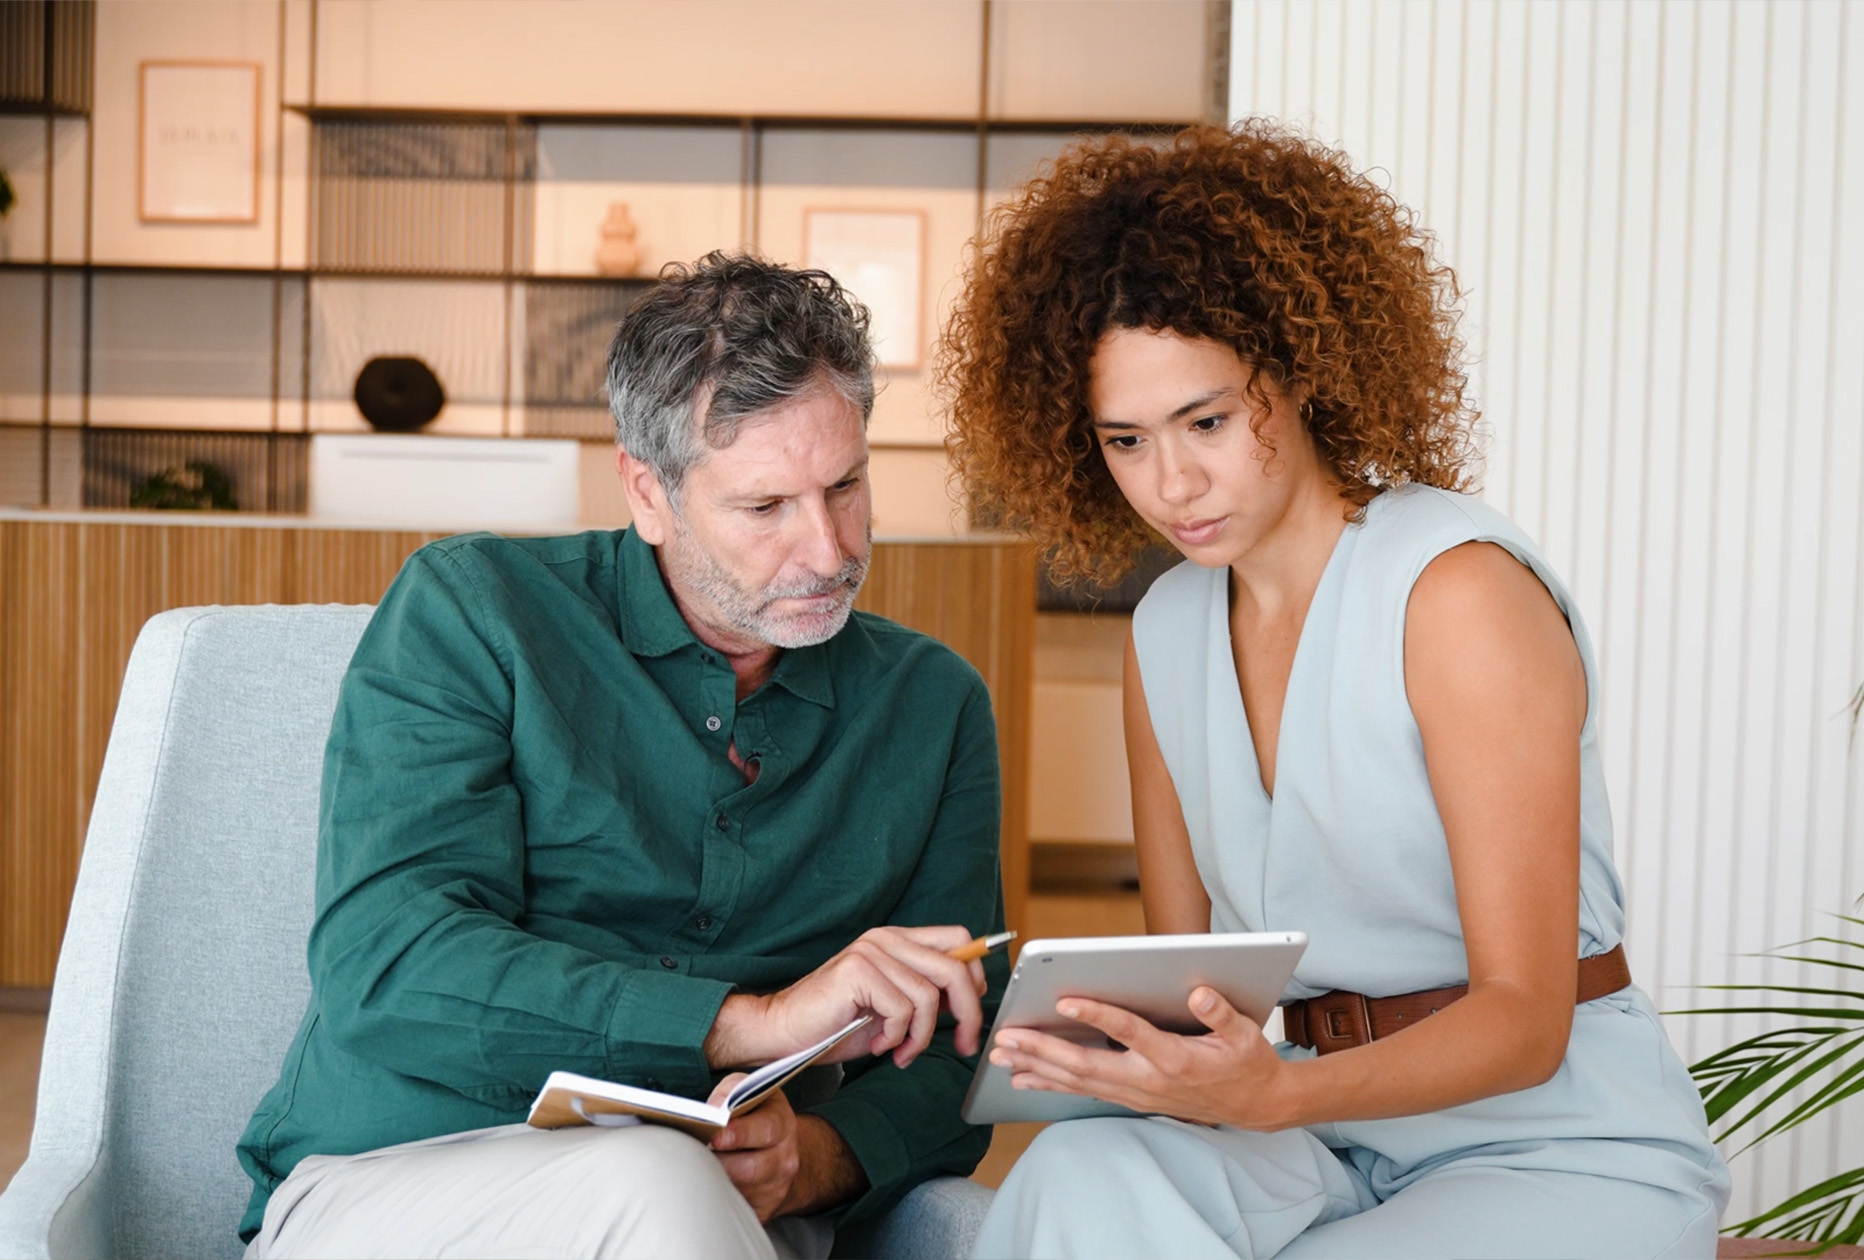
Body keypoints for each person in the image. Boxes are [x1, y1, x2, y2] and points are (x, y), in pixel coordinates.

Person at [939, 122, 1730, 1259]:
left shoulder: (1453, 594)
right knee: (1077, 1169)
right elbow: (1195, 989)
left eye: (1206, 422)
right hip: (1322, 1135)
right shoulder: (1163, 632)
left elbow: (1526, 1018)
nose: (1172, 483)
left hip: (1552, 1143)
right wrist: (1123, 1055)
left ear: (1298, 370)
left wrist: (1273, 1099)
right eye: (1125, 440)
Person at [236, 253, 1008, 1260]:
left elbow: (961, 1042)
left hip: (714, 1216)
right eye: (765, 508)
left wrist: (818, 1156)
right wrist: (751, 1023)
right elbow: (389, 966)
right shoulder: (475, 613)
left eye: (847, 486)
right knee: (652, 1175)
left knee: (671, 1183)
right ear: (649, 494)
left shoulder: (930, 703)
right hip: (399, 1183)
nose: (827, 550)